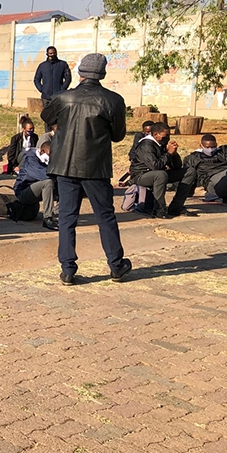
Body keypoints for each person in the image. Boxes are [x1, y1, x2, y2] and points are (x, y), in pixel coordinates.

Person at [41, 53, 131, 285]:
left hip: (65, 165)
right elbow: (119, 135)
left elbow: (46, 115)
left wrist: (62, 126)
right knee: (105, 216)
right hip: (95, 167)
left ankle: (68, 269)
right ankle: (116, 265)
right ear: (102, 74)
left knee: (67, 217)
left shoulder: (63, 97)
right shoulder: (113, 100)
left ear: (80, 73)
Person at [129, 122, 184, 219]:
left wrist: (174, 154)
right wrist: (169, 154)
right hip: (141, 175)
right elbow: (155, 166)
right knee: (160, 174)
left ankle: (176, 206)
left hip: (158, 173)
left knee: (189, 172)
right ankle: (159, 209)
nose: (168, 138)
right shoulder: (146, 145)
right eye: (166, 135)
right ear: (155, 135)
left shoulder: (162, 143)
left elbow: (177, 166)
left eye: (169, 135)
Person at [169, 134, 227, 213]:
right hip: (213, 182)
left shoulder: (223, 152)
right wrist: (188, 192)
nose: (210, 149)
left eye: (213, 146)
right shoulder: (193, 158)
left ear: (216, 144)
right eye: (207, 147)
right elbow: (189, 178)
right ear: (201, 145)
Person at [14, 141, 57, 230]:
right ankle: (47, 218)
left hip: (37, 190)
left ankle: (58, 214)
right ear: (42, 151)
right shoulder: (30, 159)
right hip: (23, 193)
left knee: (65, 184)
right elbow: (43, 175)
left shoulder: (46, 160)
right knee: (48, 182)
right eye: (49, 155)